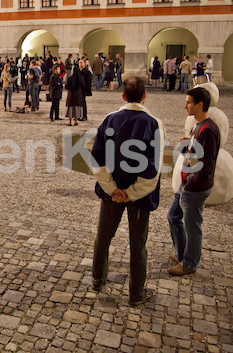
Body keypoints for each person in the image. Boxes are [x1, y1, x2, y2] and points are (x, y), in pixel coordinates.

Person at [90, 76, 165, 306]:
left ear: (123, 96)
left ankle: (97, 278)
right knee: (137, 243)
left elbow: (97, 159)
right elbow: (154, 167)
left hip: (112, 193)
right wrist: (132, 192)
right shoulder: (154, 124)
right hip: (140, 197)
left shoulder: (109, 119)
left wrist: (113, 189)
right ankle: (136, 293)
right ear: (145, 95)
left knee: (104, 236)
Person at [167, 88, 219, 276]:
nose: (185, 106)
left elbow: (207, 165)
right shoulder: (198, 126)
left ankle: (189, 264)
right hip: (187, 182)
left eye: (189, 102)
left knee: (193, 227)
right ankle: (181, 253)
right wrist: (188, 143)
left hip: (194, 187)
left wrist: (191, 185)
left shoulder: (209, 130)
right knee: (173, 216)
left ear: (200, 105)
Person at [65, 60, 85, 126]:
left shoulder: (70, 78)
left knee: (70, 109)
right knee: (76, 109)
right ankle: (76, 121)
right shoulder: (81, 78)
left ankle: (69, 121)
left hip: (71, 95)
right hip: (78, 95)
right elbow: (83, 86)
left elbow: (66, 86)